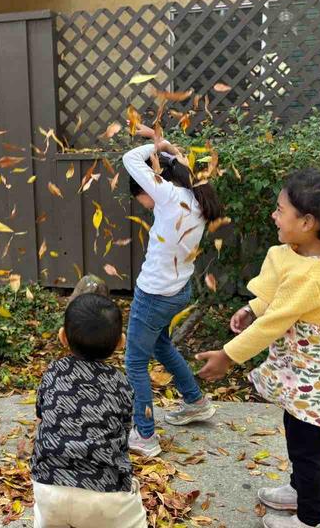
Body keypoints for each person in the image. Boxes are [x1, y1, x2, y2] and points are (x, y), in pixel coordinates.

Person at [196, 169, 320, 528]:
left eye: (280, 209)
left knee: (307, 451)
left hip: (319, 377)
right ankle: (297, 490)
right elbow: (274, 294)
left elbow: (276, 322)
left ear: (306, 222)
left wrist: (228, 355)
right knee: (295, 431)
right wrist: (250, 307)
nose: (274, 215)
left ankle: (310, 517)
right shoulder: (295, 252)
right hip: (301, 371)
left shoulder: (313, 275)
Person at [122, 126, 221, 457]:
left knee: (135, 362)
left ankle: (145, 436)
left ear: (155, 183)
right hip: (178, 290)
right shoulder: (196, 197)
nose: (144, 204)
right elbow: (183, 166)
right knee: (162, 345)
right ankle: (195, 401)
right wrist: (166, 150)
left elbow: (128, 158)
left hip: (154, 295)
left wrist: (155, 148)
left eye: (141, 197)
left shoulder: (167, 195)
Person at [30, 293, 147, 528]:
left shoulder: (54, 372)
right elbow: (123, 430)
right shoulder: (120, 383)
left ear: (62, 336)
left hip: (49, 486)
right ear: (120, 342)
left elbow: (42, 413)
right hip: (106, 492)